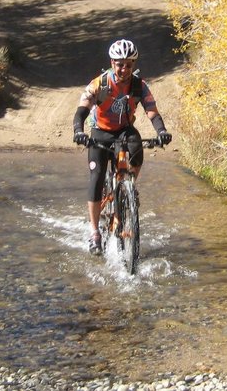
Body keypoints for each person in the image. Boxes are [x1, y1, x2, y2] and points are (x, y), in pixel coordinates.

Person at [72, 38, 171, 255]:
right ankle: (95, 232)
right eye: (119, 63)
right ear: (112, 62)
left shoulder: (139, 85)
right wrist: (79, 131)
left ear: (133, 65)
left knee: (136, 150)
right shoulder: (100, 83)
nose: (124, 68)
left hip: (124, 130)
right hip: (101, 132)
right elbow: (82, 109)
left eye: (128, 64)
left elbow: (151, 111)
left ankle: (127, 189)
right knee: (97, 177)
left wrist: (161, 132)